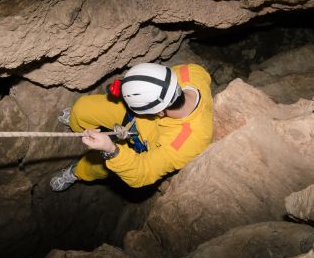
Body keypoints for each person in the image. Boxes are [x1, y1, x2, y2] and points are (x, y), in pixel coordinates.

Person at [50, 62, 213, 191]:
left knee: (99, 165)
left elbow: (143, 172)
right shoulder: (190, 72)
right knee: (82, 109)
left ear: (160, 113)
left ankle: (77, 173)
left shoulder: (188, 142)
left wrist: (111, 150)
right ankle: (76, 124)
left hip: (144, 144)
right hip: (135, 116)